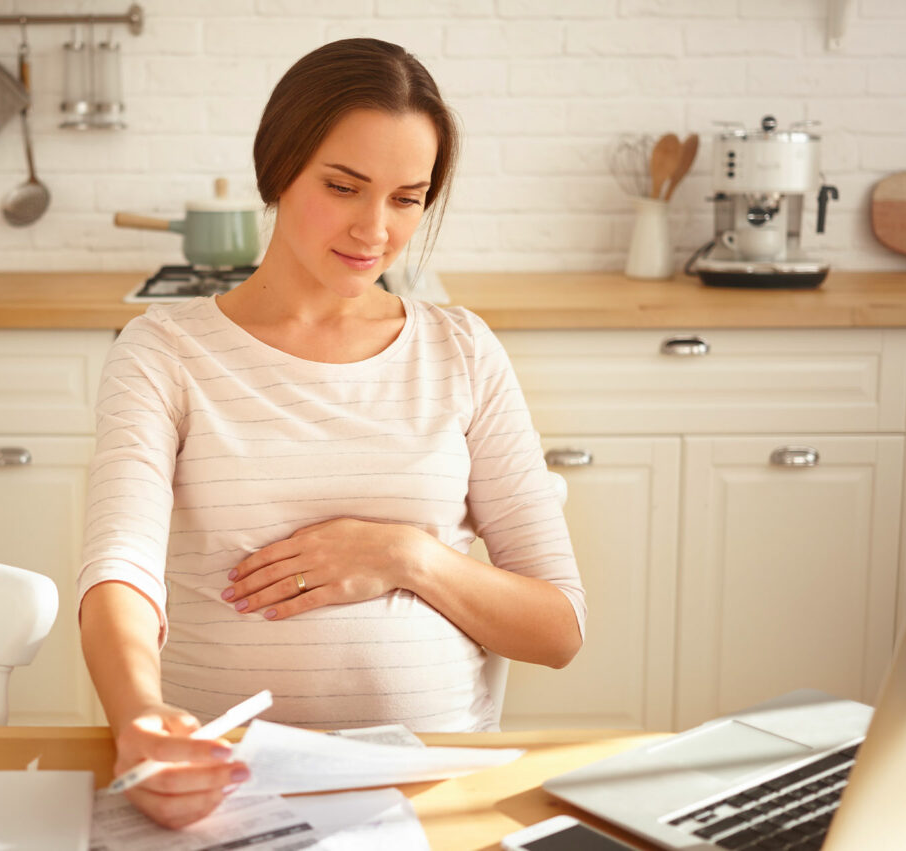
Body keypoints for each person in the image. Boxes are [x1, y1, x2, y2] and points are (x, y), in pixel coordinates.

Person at [77, 37, 586, 830]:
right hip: (227, 784)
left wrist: (403, 556)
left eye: (407, 197)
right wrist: (138, 718)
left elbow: (557, 628)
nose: (374, 229)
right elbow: (121, 574)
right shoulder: (165, 351)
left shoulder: (462, 349)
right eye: (344, 186)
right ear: (278, 167)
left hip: (432, 788)